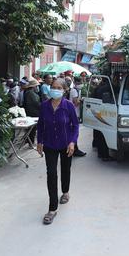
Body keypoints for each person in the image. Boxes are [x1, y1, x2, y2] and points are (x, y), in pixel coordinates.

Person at [36, 78, 79, 224]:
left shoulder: (69, 106)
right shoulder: (44, 106)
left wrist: (73, 142)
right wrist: (39, 141)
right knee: (51, 174)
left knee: (66, 169)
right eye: (53, 87)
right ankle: (52, 209)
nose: (55, 89)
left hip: (66, 144)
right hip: (49, 144)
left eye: (59, 87)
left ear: (64, 90)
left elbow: (75, 125)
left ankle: (65, 192)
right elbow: (40, 124)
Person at [69, 76, 86, 157]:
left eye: (81, 83)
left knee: (74, 132)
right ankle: (74, 149)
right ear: (75, 83)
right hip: (74, 114)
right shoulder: (74, 91)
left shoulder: (77, 90)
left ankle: (75, 148)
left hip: (76, 113)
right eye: (79, 83)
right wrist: (82, 100)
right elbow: (76, 103)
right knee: (74, 132)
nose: (80, 84)